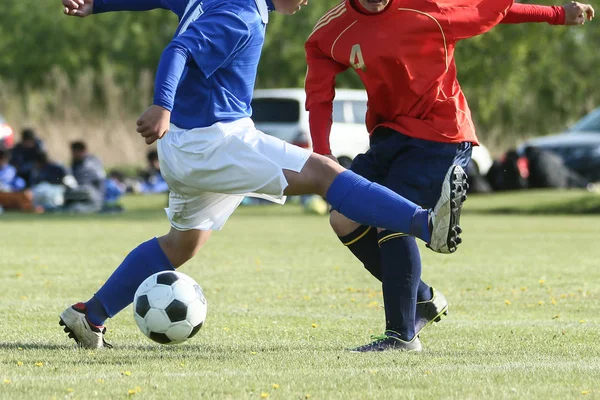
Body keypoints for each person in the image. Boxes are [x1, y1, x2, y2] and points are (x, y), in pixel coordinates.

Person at [58, 0, 468, 349]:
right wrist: (161, 105)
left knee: (181, 243)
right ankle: (427, 224)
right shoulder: (242, 14)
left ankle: (90, 315)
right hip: (213, 142)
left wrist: (97, 3)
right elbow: (178, 49)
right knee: (326, 172)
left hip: (186, 147)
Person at [305, 0, 594, 352]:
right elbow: (319, 95)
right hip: (388, 135)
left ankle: (401, 335)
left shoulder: (430, 7)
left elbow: (494, 9)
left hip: (440, 133)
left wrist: (557, 14)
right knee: (342, 218)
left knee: (390, 217)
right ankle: (423, 299)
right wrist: (323, 151)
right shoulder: (330, 32)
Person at [64, 140, 106, 213]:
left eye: (74, 152)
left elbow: (81, 181)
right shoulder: (77, 163)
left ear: (82, 151)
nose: (73, 154)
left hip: (94, 196)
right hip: (86, 195)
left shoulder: (89, 163)